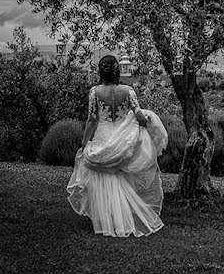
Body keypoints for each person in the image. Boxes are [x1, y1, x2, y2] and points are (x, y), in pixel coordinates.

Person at [67, 55, 168, 237]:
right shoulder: (128, 91)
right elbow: (138, 115)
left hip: (103, 137)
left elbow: (92, 120)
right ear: (117, 71)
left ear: (101, 71)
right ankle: (122, 219)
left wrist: (85, 142)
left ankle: (107, 220)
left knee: (103, 179)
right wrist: (147, 125)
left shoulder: (95, 92)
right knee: (120, 177)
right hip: (123, 138)